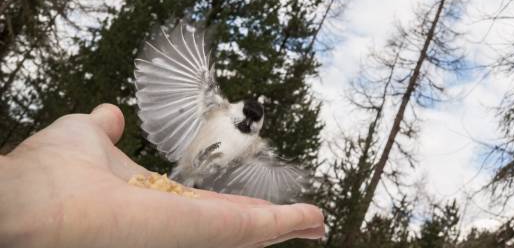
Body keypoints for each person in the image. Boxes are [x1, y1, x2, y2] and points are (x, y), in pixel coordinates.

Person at [0, 104, 325, 247]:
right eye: (246, 115)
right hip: (188, 161)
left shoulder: (255, 143)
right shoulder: (220, 108)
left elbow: (260, 166)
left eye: (255, 122)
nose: (248, 122)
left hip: (199, 179)